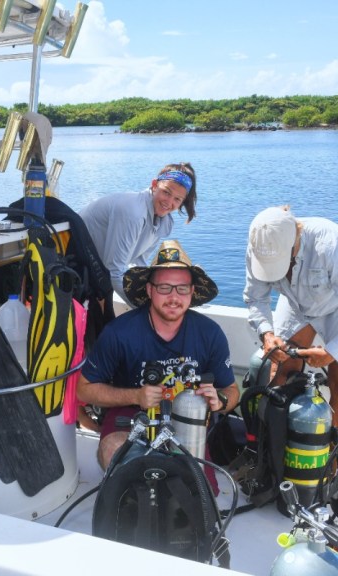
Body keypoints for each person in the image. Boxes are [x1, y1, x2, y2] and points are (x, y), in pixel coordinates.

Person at [77, 239, 239, 470]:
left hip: (188, 421)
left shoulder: (210, 333)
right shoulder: (119, 333)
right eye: (164, 287)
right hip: (132, 415)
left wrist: (220, 401)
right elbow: (84, 389)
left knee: (195, 489)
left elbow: (232, 391)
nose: (174, 297)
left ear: (192, 292)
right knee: (114, 450)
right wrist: (136, 396)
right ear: (150, 289)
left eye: (182, 288)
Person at [243, 205, 338, 431]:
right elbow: (255, 298)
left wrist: (332, 352)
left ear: (297, 236)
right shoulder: (259, 244)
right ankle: (275, 454)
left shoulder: (331, 245)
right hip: (295, 303)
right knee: (279, 375)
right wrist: (267, 334)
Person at [79, 163, 197, 308]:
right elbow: (114, 271)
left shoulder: (164, 222)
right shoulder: (133, 213)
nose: (169, 202)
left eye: (177, 199)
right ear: (154, 185)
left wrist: (155, 294)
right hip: (76, 265)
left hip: (97, 272)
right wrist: (148, 309)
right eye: (166, 192)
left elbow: (138, 262)